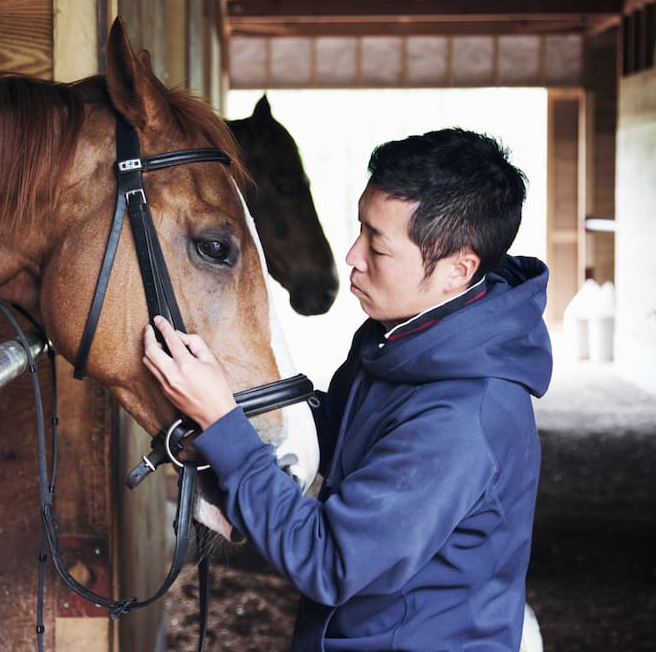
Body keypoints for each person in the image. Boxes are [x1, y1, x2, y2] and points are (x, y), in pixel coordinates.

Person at [142, 127, 552, 651]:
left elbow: (330, 562)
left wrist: (225, 426)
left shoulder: (460, 420)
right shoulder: (405, 335)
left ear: (458, 269)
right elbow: (336, 431)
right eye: (360, 228)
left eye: (377, 246)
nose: (353, 255)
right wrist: (233, 395)